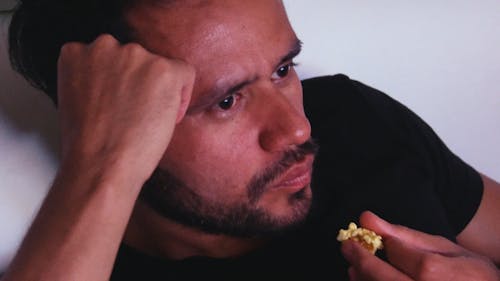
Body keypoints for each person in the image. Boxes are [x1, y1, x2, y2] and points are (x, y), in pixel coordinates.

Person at [2, 0, 499, 280]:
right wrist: (101, 165)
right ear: (113, 118)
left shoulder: (354, 121)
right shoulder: (79, 262)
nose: (298, 129)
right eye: (226, 101)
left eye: (283, 69)